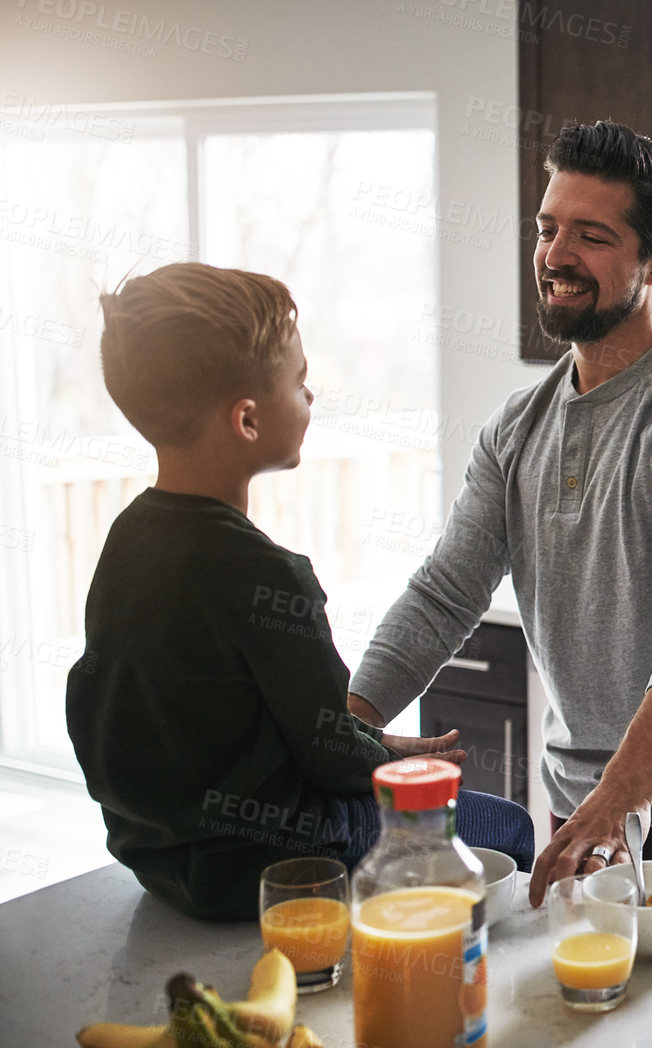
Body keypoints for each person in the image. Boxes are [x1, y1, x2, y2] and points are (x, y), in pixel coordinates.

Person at [348, 120, 652, 924]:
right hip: (581, 800)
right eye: (548, 229)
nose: (554, 255)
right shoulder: (518, 427)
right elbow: (447, 592)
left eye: (591, 236)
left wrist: (621, 799)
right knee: (594, 1028)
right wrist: (345, 730)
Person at [65, 262, 536, 921]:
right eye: (300, 382)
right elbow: (335, 760)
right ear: (248, 420)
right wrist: (385, 761)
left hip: (161, 861)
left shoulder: (127, 542)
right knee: (508, 828)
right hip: (271, 860)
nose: (311, 398)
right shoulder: (268, 575)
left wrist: (382, 744)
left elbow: (208, 718)